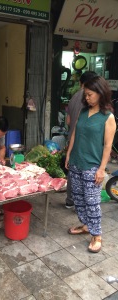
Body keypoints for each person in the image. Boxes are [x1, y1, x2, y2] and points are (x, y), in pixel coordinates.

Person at [65, 76, 116, 253]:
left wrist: (102, 169)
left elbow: (108, 146)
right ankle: (86, 226)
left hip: (92, 165)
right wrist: (69, 154)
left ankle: (97, 235)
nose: (86, 98)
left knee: (92, 202)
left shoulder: (107, 117)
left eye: (89, 94)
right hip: (76, 162)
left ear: (100, 93)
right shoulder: (83, 113)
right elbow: (74, 135)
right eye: (85, 95)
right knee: (78, 200)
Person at [65, 71, 97, 209]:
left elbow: (68, 120)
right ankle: (82, 204)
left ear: (80, 83)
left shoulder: (73, 97)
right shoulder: (92, 99)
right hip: (85, 141)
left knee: (73, 171)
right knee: (85, 171)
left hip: (72, 138)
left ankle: (69, 200)